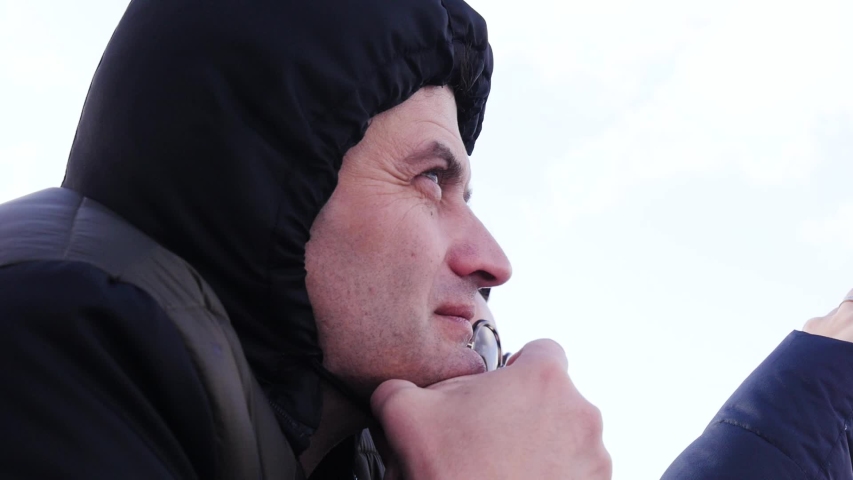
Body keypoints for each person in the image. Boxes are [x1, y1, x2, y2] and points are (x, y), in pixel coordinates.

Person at [0, 1, 609, 479]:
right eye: (431, 179)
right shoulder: (54, 344)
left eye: (465, 198)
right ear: (258, 176)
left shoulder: (345, 453)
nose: (493, 264)